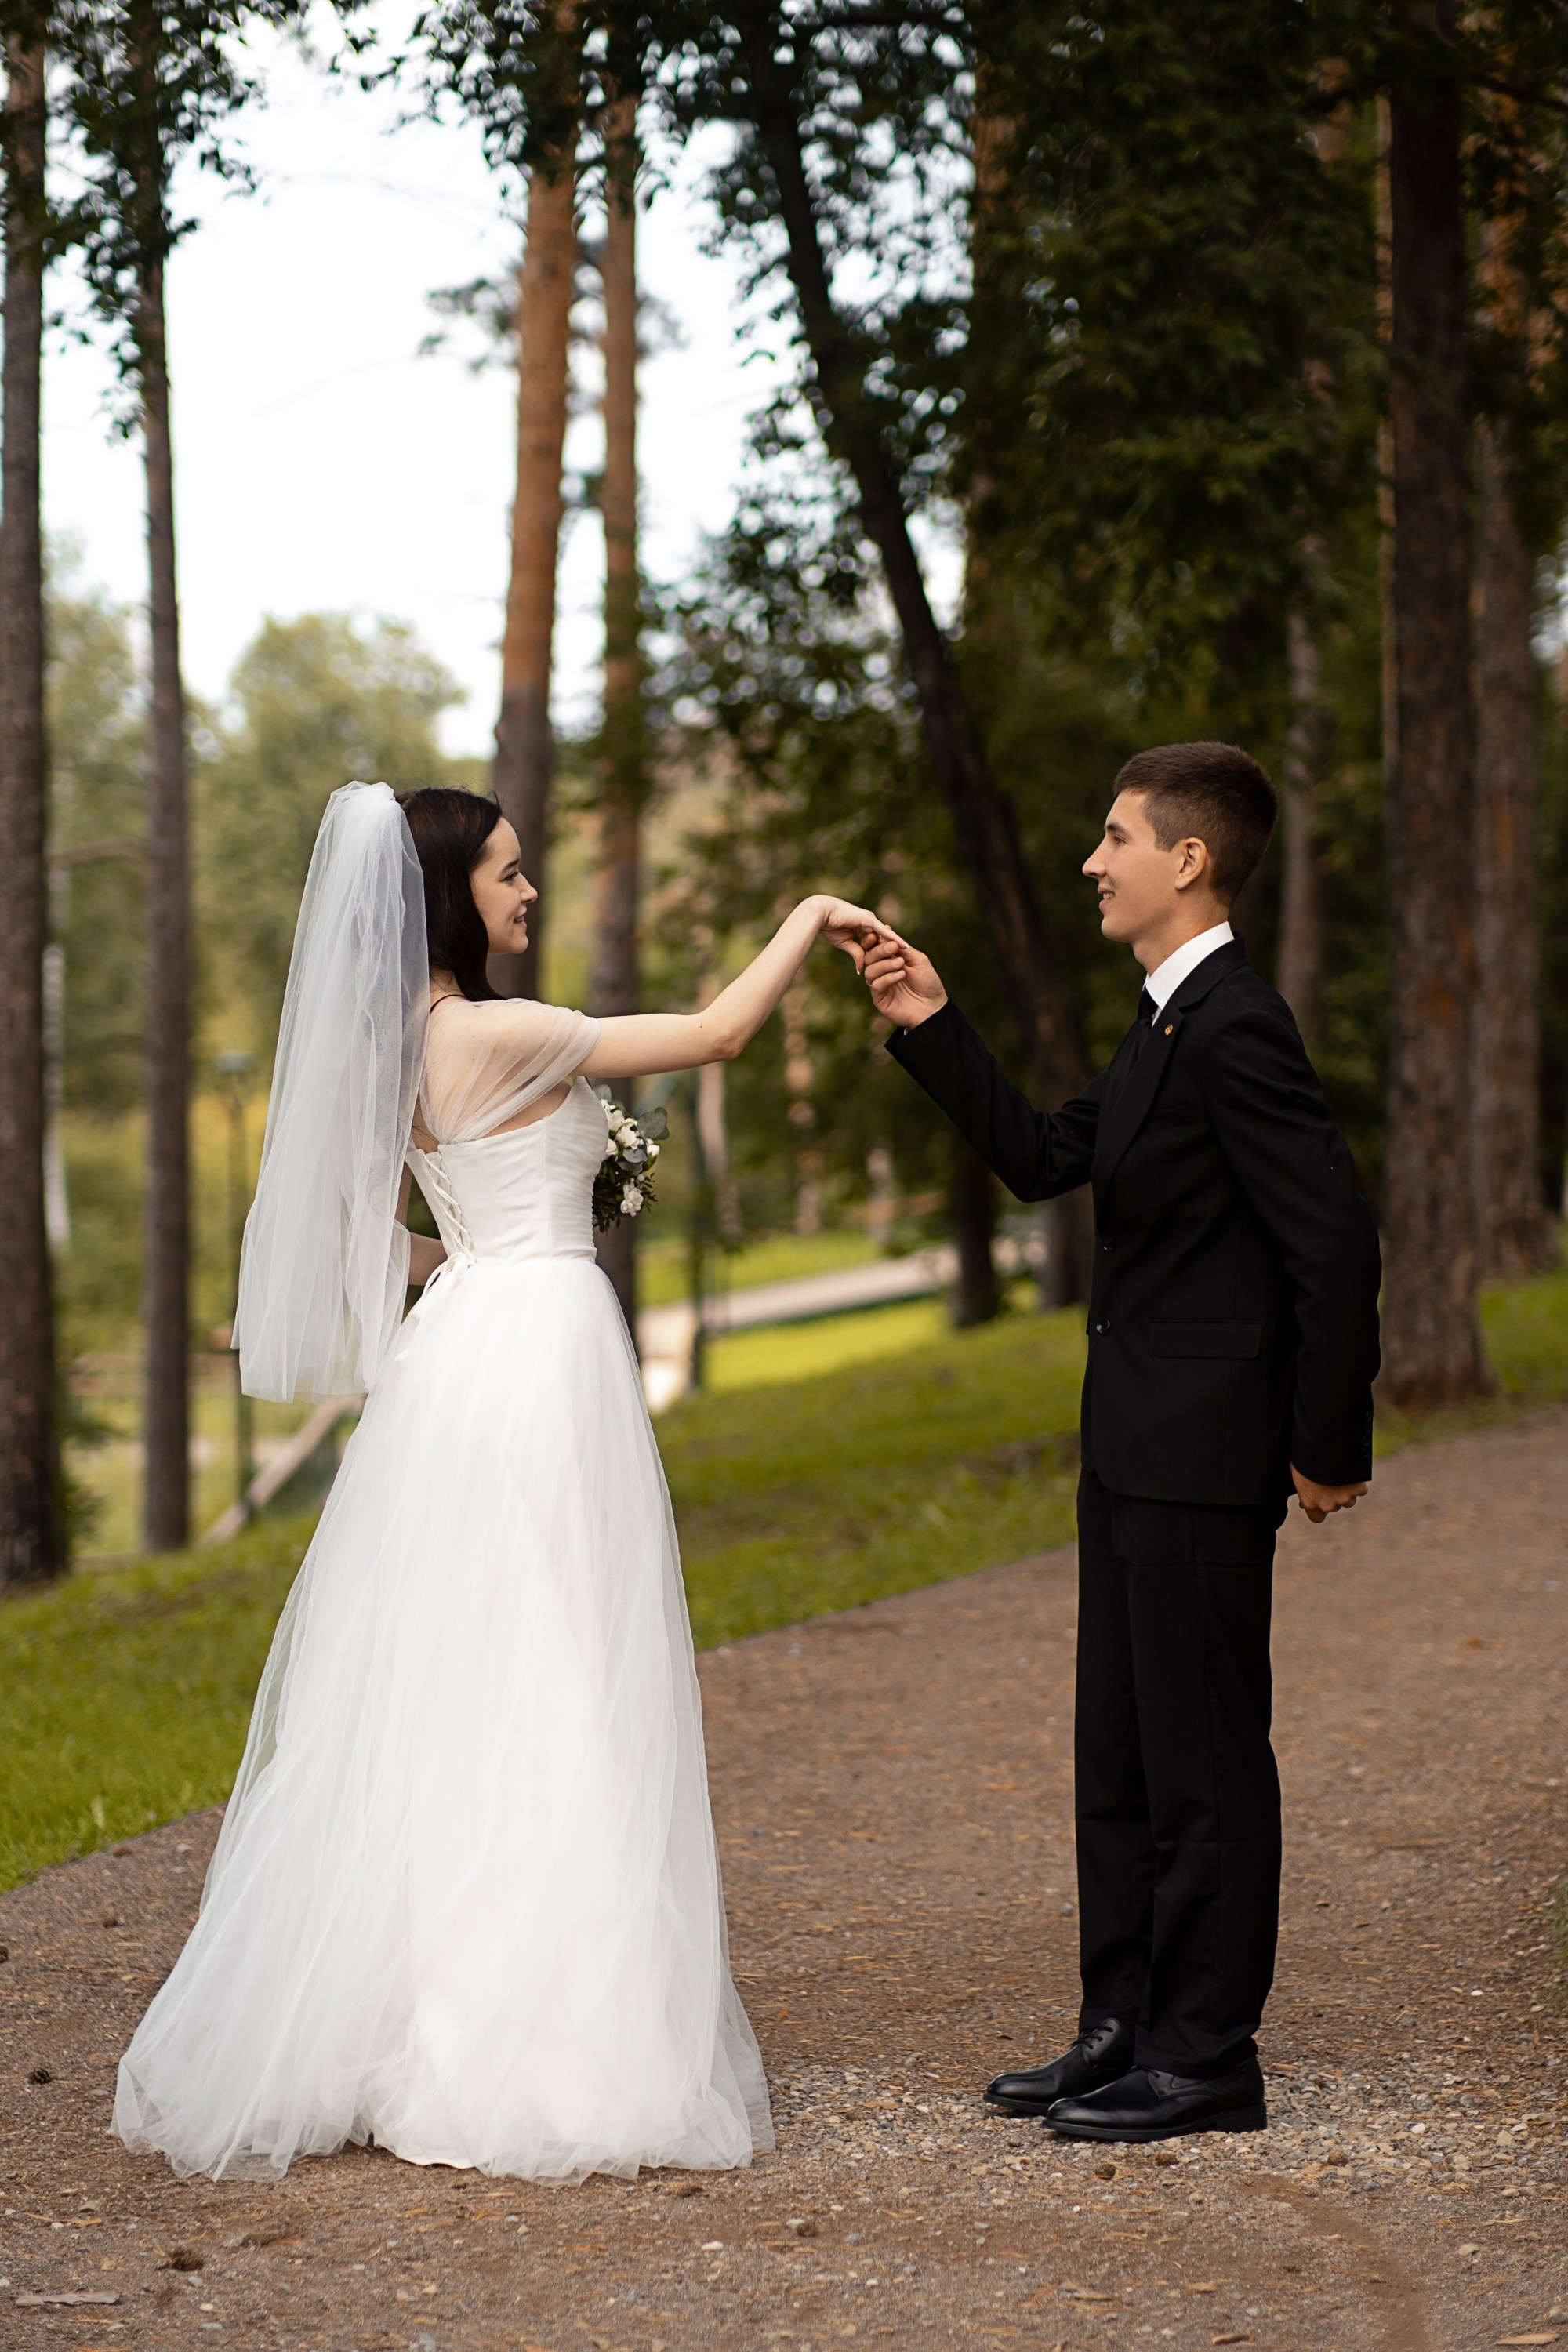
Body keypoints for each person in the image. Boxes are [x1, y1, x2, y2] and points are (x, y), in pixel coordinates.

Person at [113, 781, 891, 2184]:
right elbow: (716, 1033)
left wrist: (481, 1247)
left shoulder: (393, 1054)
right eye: (511, 876)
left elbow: (376, 1242)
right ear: (447, 893)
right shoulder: (500, 1031)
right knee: (560, 1661)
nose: (529, 894)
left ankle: (409, 2011)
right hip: (538, 1353)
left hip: (463, 1348)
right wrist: (812, 916)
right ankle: (545, 2038)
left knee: (453, 1671)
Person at [864, 742, 1381, 2145]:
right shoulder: (1162, 1022)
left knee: (1205, 1755)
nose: (1094, 861)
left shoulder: (1238, 1024)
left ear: (1188, 860)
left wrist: (1327, 1441)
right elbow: (1044, 1156)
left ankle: (1209, 2054)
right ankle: (1123, 2023)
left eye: (1115, 837)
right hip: (1134, 1446)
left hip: (1210, 1452)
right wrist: (929, 1022)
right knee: (1124, 1752)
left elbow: (1331, 1237)